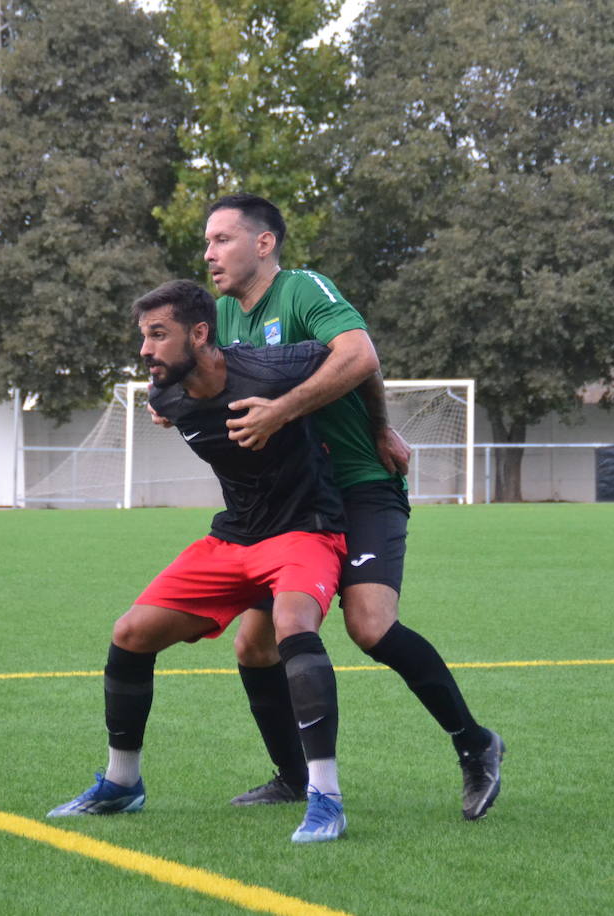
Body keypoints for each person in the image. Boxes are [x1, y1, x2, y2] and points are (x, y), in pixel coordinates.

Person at [202, 193, 504, 820]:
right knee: (254, 646)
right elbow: (199, 377)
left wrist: (367, 428)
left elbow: (361, 355)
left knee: (369, 625)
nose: (210, 254)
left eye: (223, 240)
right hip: (291, 502)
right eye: (206, 242)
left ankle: (475, 744)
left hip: (360, 484)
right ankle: (291, 776)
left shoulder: (305, 289)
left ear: (264, 244)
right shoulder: (223, 317)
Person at [48, 280, 356, 843]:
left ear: (200, 333)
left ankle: (325, 797)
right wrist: (170, 396)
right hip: (233, 539)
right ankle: (123, 783)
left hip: (303, 532)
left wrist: (376, 428)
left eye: (158, 335)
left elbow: (355, 358)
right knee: (132, 633)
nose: (145, 349)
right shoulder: (166, 396)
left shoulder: (272, 368)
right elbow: (181, 404)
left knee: (289, 627)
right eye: (143, 336)